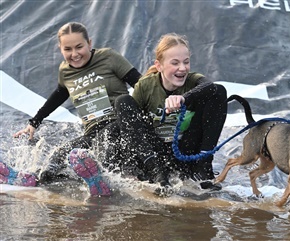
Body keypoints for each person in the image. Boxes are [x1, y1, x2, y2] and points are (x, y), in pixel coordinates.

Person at [9, 22, 145, 196]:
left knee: (105, 144)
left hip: (117, 124)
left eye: (79, 47)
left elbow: (141, 84)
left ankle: (103, 184)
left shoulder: (109, 57)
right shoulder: (65, 71)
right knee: (59, 155)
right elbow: (59, 95)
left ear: (89, 43)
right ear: (60, 49)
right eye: (68, 49)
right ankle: (35, 180)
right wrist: (34, 122)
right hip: (91, 130)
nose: (75, 54)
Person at [106, 33, 227, 190]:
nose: (182, 68)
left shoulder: (193, 81)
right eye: (175, 63)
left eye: (186, 62)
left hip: (185, 153)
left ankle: (203, 167)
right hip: (156, 155)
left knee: (219, 91)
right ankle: (156, 172)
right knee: (122, 103)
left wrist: (184, 98)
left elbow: (210, 87)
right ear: (159, 66)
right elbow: (131, 127)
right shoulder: (146, 86)